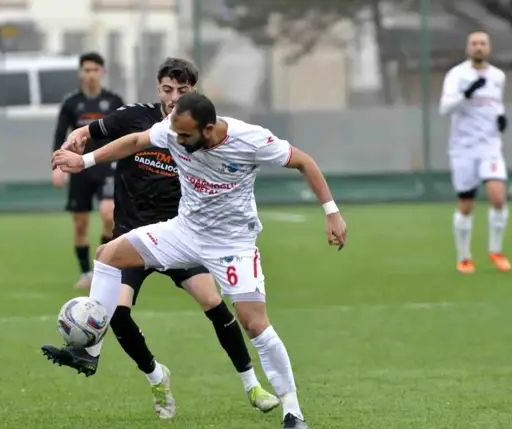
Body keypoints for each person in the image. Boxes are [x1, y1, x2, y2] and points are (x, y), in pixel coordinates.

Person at [52, 91, 348, 429]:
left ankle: (292, 412)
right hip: (184, 232)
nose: (175, 140)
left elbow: (303, 162)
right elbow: (134, 140)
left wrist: (331, 212)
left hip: (232, 243)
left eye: (184, 136)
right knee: (107, 255)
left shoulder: (250, 139)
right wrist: (84, 161)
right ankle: (90, 350)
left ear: (208, 129)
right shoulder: (174, 128)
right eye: (174, 133)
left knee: (254, 323)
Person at [43, 58, 279, 419]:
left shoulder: (199, 130)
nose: (173, 98)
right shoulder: (135, 117)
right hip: (133, 238)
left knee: (214, 304)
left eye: (182, 92)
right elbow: (90, 132)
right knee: (115, 313)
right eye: (168, 90)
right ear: (158, 89)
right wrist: (75, 140)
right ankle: (155, 375)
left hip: (180, 236)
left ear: (193, 93)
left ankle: (252, 384)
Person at [439, 31, 511, 274]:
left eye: (483, 43)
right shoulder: (457, 75)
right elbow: (445, 108)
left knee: (498, 197)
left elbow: (496, 103)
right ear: (468, 48)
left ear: (488, 48)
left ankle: (496, 251)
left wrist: (501, 118)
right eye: (474, 44)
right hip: (463, 148)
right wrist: (466, 94)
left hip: (490, 146)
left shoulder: (498, 76)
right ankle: (464, 256)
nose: (478, 47)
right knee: (466, 204)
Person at [52, 52, 125, 288]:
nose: (91, 75)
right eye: (87, 70)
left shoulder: (114, 102)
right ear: (80, 73)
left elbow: (125, 135)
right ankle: (85, 273)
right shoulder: (71, 103)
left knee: (107, 214)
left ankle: (103, 269)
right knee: (80, 223)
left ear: (102, 73)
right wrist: (58, 166)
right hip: (78, 168)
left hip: (106, 165)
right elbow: (59, 135)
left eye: (95, 70)